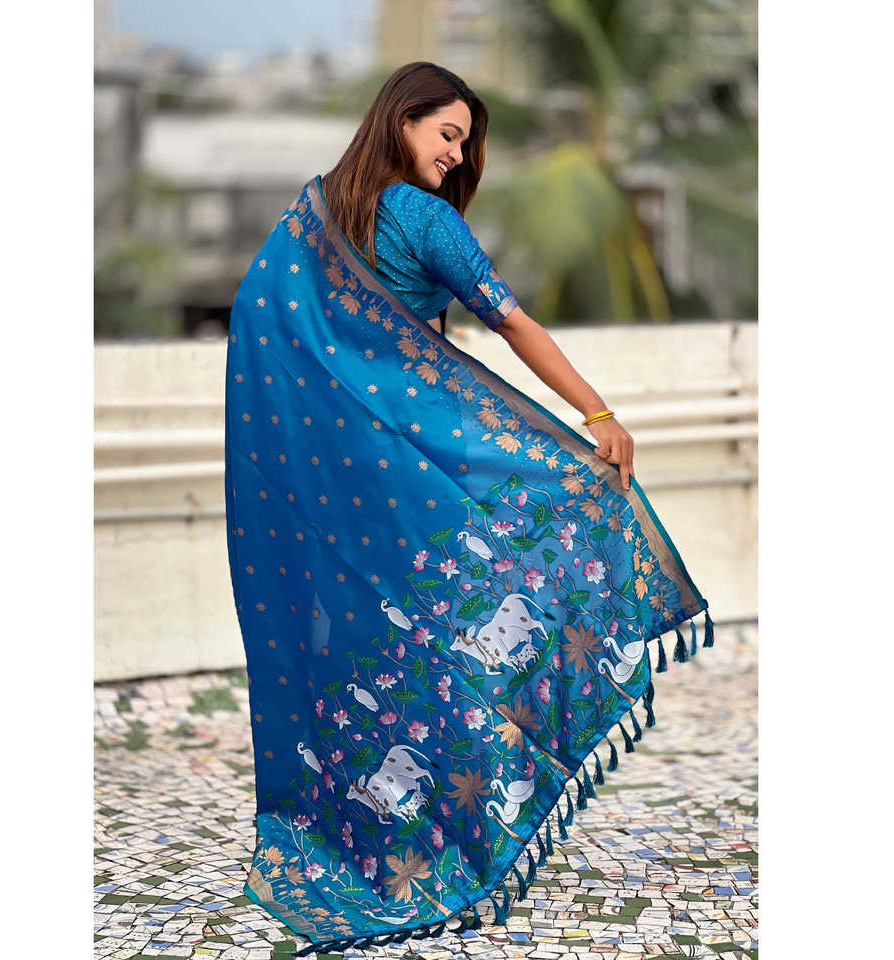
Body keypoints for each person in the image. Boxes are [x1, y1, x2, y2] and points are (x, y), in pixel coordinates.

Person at [224, 61, 711, 957]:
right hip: (414, 470)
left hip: (341, 486)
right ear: (401, 121)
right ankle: (454, 827)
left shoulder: (314, 217)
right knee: (466, 619)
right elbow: (511, 321)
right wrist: (597, 415)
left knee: (373, 648)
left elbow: (260, 320)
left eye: (465, 143)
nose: (456, 155)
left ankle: (357, 837)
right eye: (447, 135)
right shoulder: (422, 217)